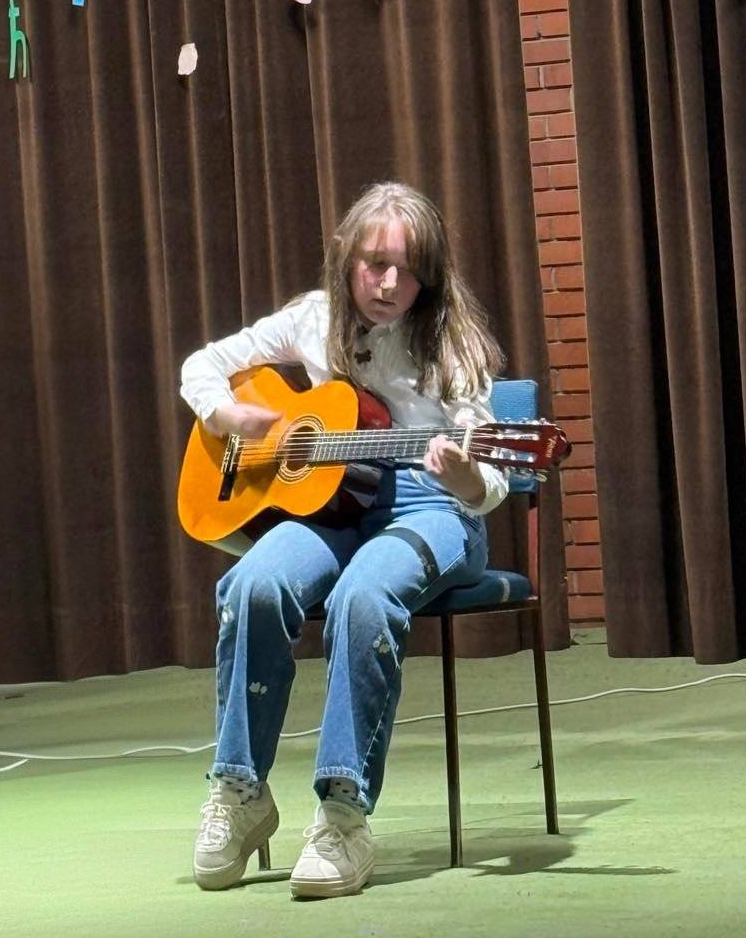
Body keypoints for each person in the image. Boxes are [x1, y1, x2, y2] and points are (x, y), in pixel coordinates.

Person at [180, 181, 509, 899]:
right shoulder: (313, 318)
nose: (389, 284)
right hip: (336, 504)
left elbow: (491, 481)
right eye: (374, 264)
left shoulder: (453, 345)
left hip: (432, 509)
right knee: (252, 584)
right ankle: (240, 790)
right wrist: (228, 416)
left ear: (431, 276)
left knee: (364, 596)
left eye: (408, 271)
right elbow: (200, 365)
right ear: (345, 258)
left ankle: (343, 814)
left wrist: (465, 476)